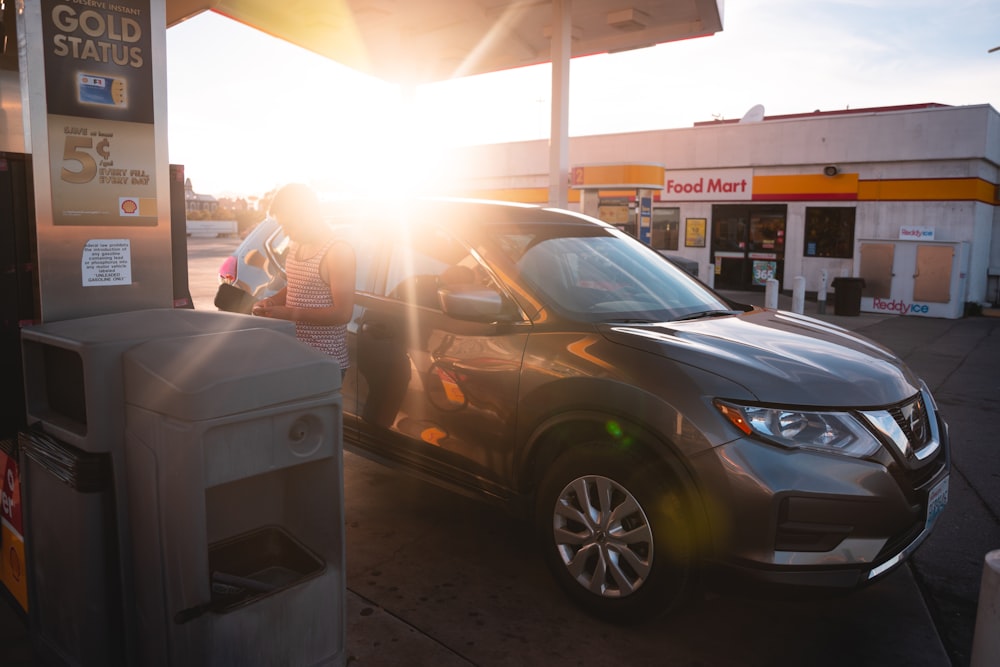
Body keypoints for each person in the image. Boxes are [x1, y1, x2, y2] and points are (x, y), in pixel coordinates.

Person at [251, 183, 355, 376]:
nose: (285, 232)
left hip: (324, 362)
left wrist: (289, 313)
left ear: (306, 217)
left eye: (287, 225)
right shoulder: (297, 245)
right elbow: (297, 286)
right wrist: (273, 301)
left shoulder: (338, 252)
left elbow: (342, 313)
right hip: (295, 356)